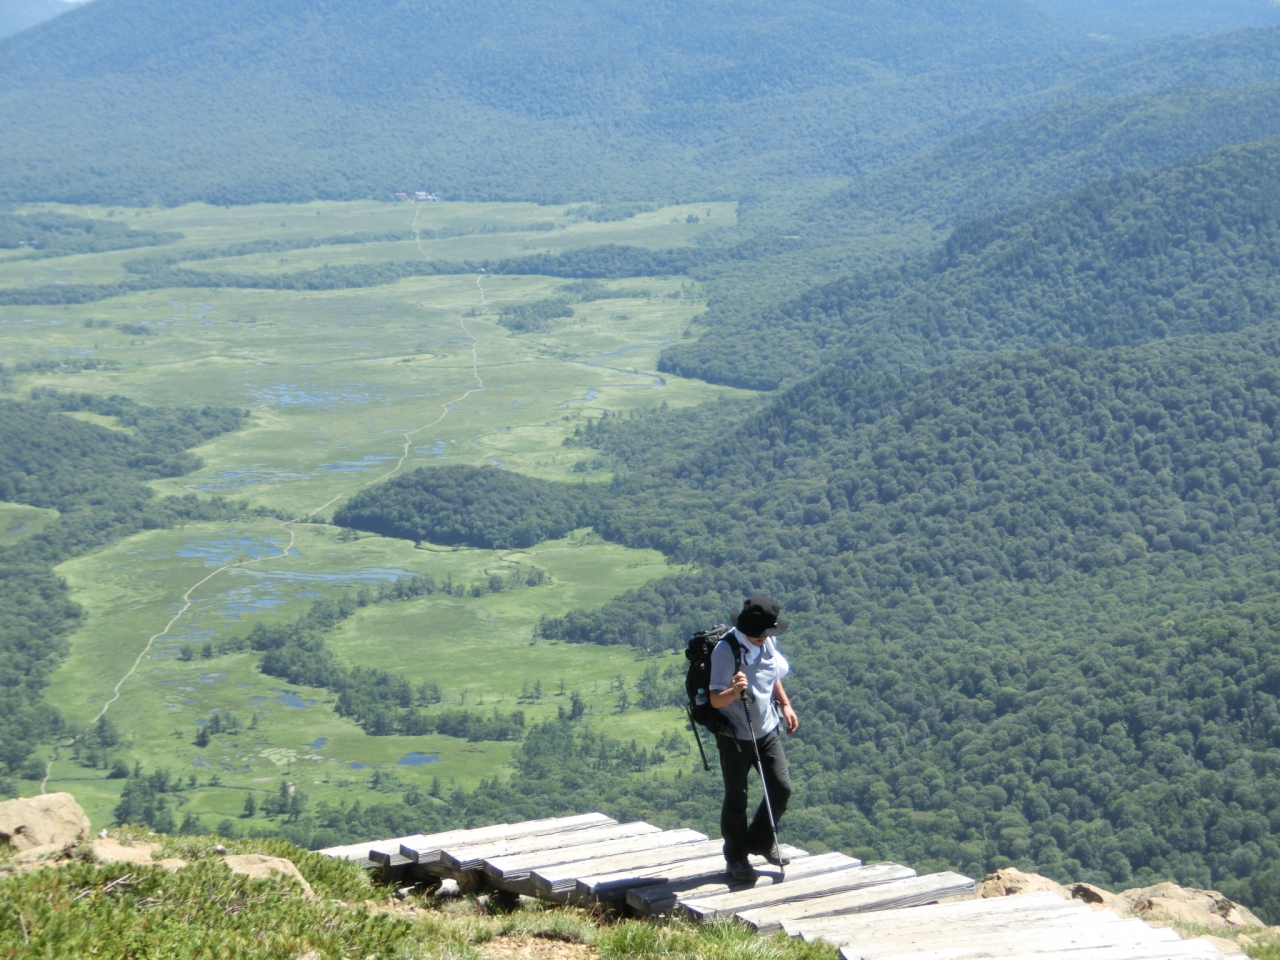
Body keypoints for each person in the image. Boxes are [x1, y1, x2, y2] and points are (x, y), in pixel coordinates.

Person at [709, 595, 798, 881]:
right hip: (736, 736)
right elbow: (714, 700)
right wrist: (734, 692)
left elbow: (773, 676)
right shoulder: (725, 651)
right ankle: (736, 858)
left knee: (781, 788)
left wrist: (785, 704)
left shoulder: (766, 641)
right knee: (737, 798)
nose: (764, 639)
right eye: (759, 635)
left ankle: (760, 841)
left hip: (767, 730)